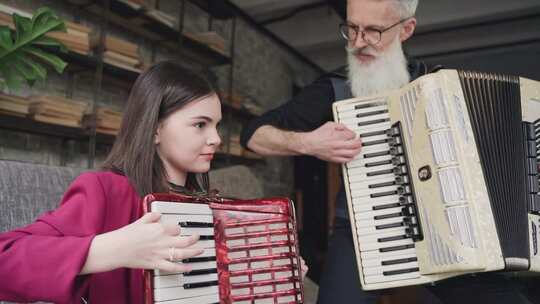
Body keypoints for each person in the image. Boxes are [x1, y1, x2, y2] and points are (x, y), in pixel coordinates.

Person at [240, 0, 539, 303]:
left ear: (406, 29)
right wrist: (309, 143)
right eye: (352, 28)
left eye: (373, 31)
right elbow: (253, 135)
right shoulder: (335, 86)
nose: (358, 43)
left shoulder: (440, 85)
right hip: (362, 234)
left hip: (451, 232)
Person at [0, 61, 221, 303]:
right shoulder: (104, 190)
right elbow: (5, 261)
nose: (216, 139)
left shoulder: (210, 208)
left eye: (216, 125)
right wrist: (115, 248)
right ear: (155, 129)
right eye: (200, 124)